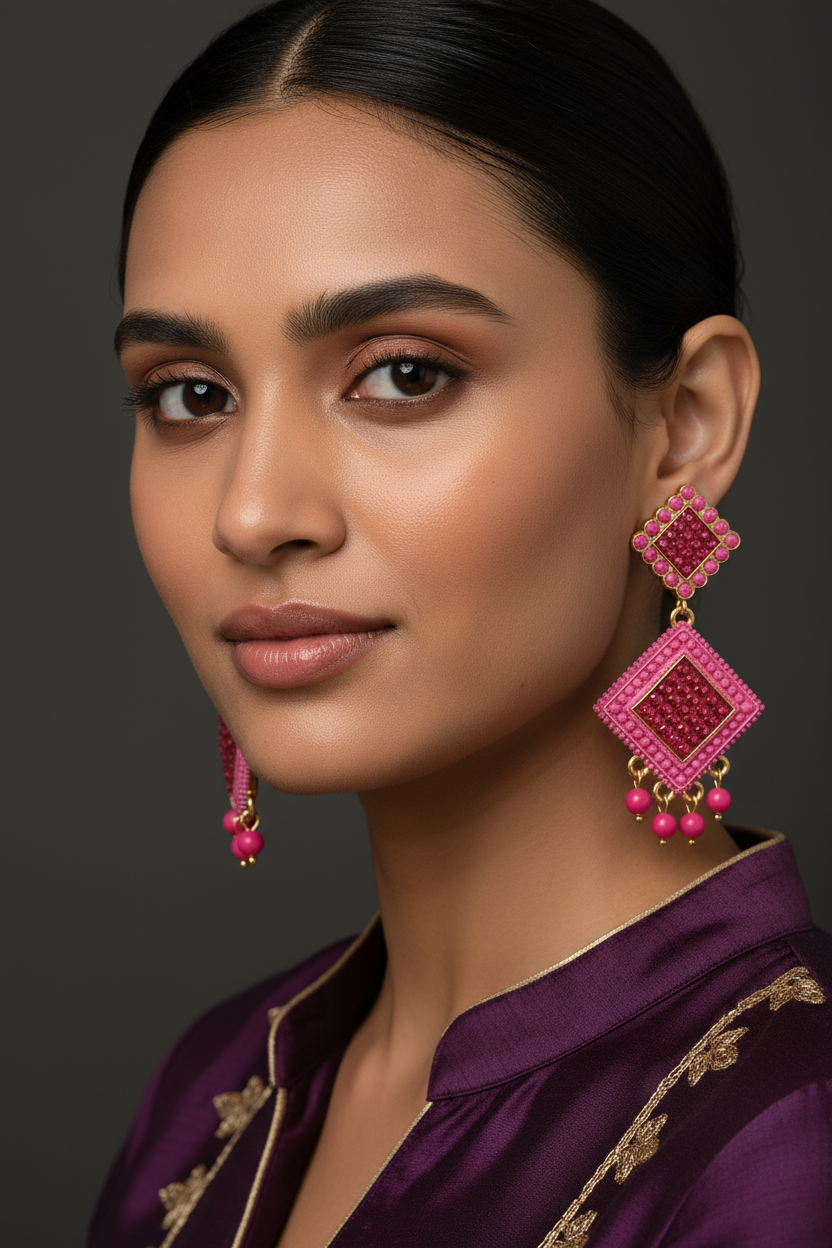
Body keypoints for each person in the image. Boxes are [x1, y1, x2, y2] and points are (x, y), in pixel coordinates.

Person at [88, 1, 831, 1245]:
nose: (254, 510)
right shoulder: (216, 1089)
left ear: (686, 427)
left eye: (403, 374)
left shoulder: (783, 1138)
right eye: (191, 394)